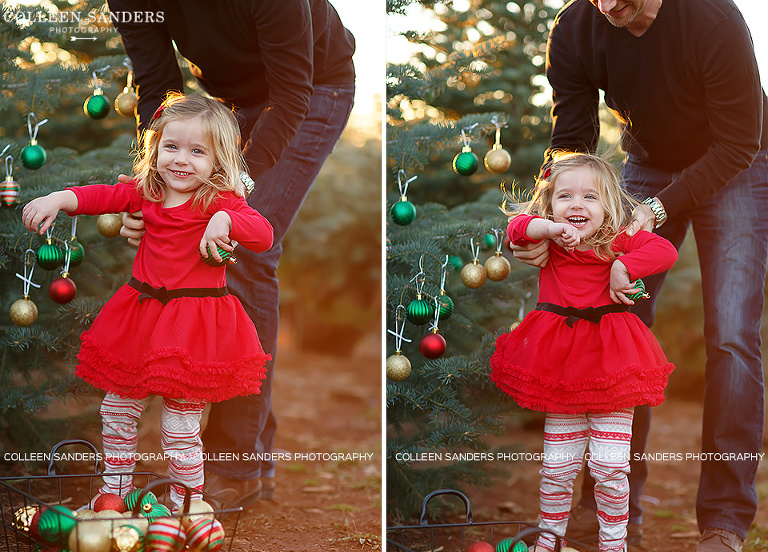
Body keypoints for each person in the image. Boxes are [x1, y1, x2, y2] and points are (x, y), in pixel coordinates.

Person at [510, 0, 768, 550]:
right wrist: (550, 225)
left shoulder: (712, 20)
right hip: (648, 162)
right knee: (611, 318)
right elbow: (573, 142)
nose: (608, 6)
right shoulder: (579, 27)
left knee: (730, 336)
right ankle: (609, 509)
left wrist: (654, 210)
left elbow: (739, 141)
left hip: (738, 166)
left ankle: (725, 518)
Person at [107, 0, 356, 506]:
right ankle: (253, 456)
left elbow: (290, 96)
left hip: (312, 91)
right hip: (222, 103)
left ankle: (234, 465)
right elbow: (159, 88)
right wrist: (153, 189)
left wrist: (232, 196)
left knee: (237, 248)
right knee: (207, 236)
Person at [21, 93, 274, 511]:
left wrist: (225, 219)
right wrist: (60, 199)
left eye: (197, 152)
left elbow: (263, 233)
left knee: (179, 426)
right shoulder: (148, 191)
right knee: (117, 410)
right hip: (139, 319)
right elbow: (102, 196)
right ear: (155, 148)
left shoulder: (220, 201)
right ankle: (114, 494)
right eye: (171, 147)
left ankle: (185, 505)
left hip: (191, 326)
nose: (180, 160)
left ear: (218, 161)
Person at [491, 152, 678, 552]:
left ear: (609, 206)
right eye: (565, 197)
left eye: (590, 197)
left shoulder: (617, 240)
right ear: (549, 204)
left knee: (610, 467)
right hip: (562, 368)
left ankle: (614, 545)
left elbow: (665, 252)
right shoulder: (550, 240)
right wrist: (550, 229)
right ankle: (549, 542)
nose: (577, 205)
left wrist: (623, 267)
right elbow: (517, 228)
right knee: (558, 467)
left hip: (613, 365)